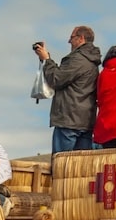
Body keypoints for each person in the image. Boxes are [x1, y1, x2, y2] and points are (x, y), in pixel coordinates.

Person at [34, 25, 101, 155]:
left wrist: (47, 60)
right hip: (86, 119)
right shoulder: (92, 60)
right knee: (80, 167)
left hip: (69, 119)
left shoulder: (78, 58)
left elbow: (56, 79)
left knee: (61, 162)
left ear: (81, 38)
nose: (69, 41)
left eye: (71, 38)